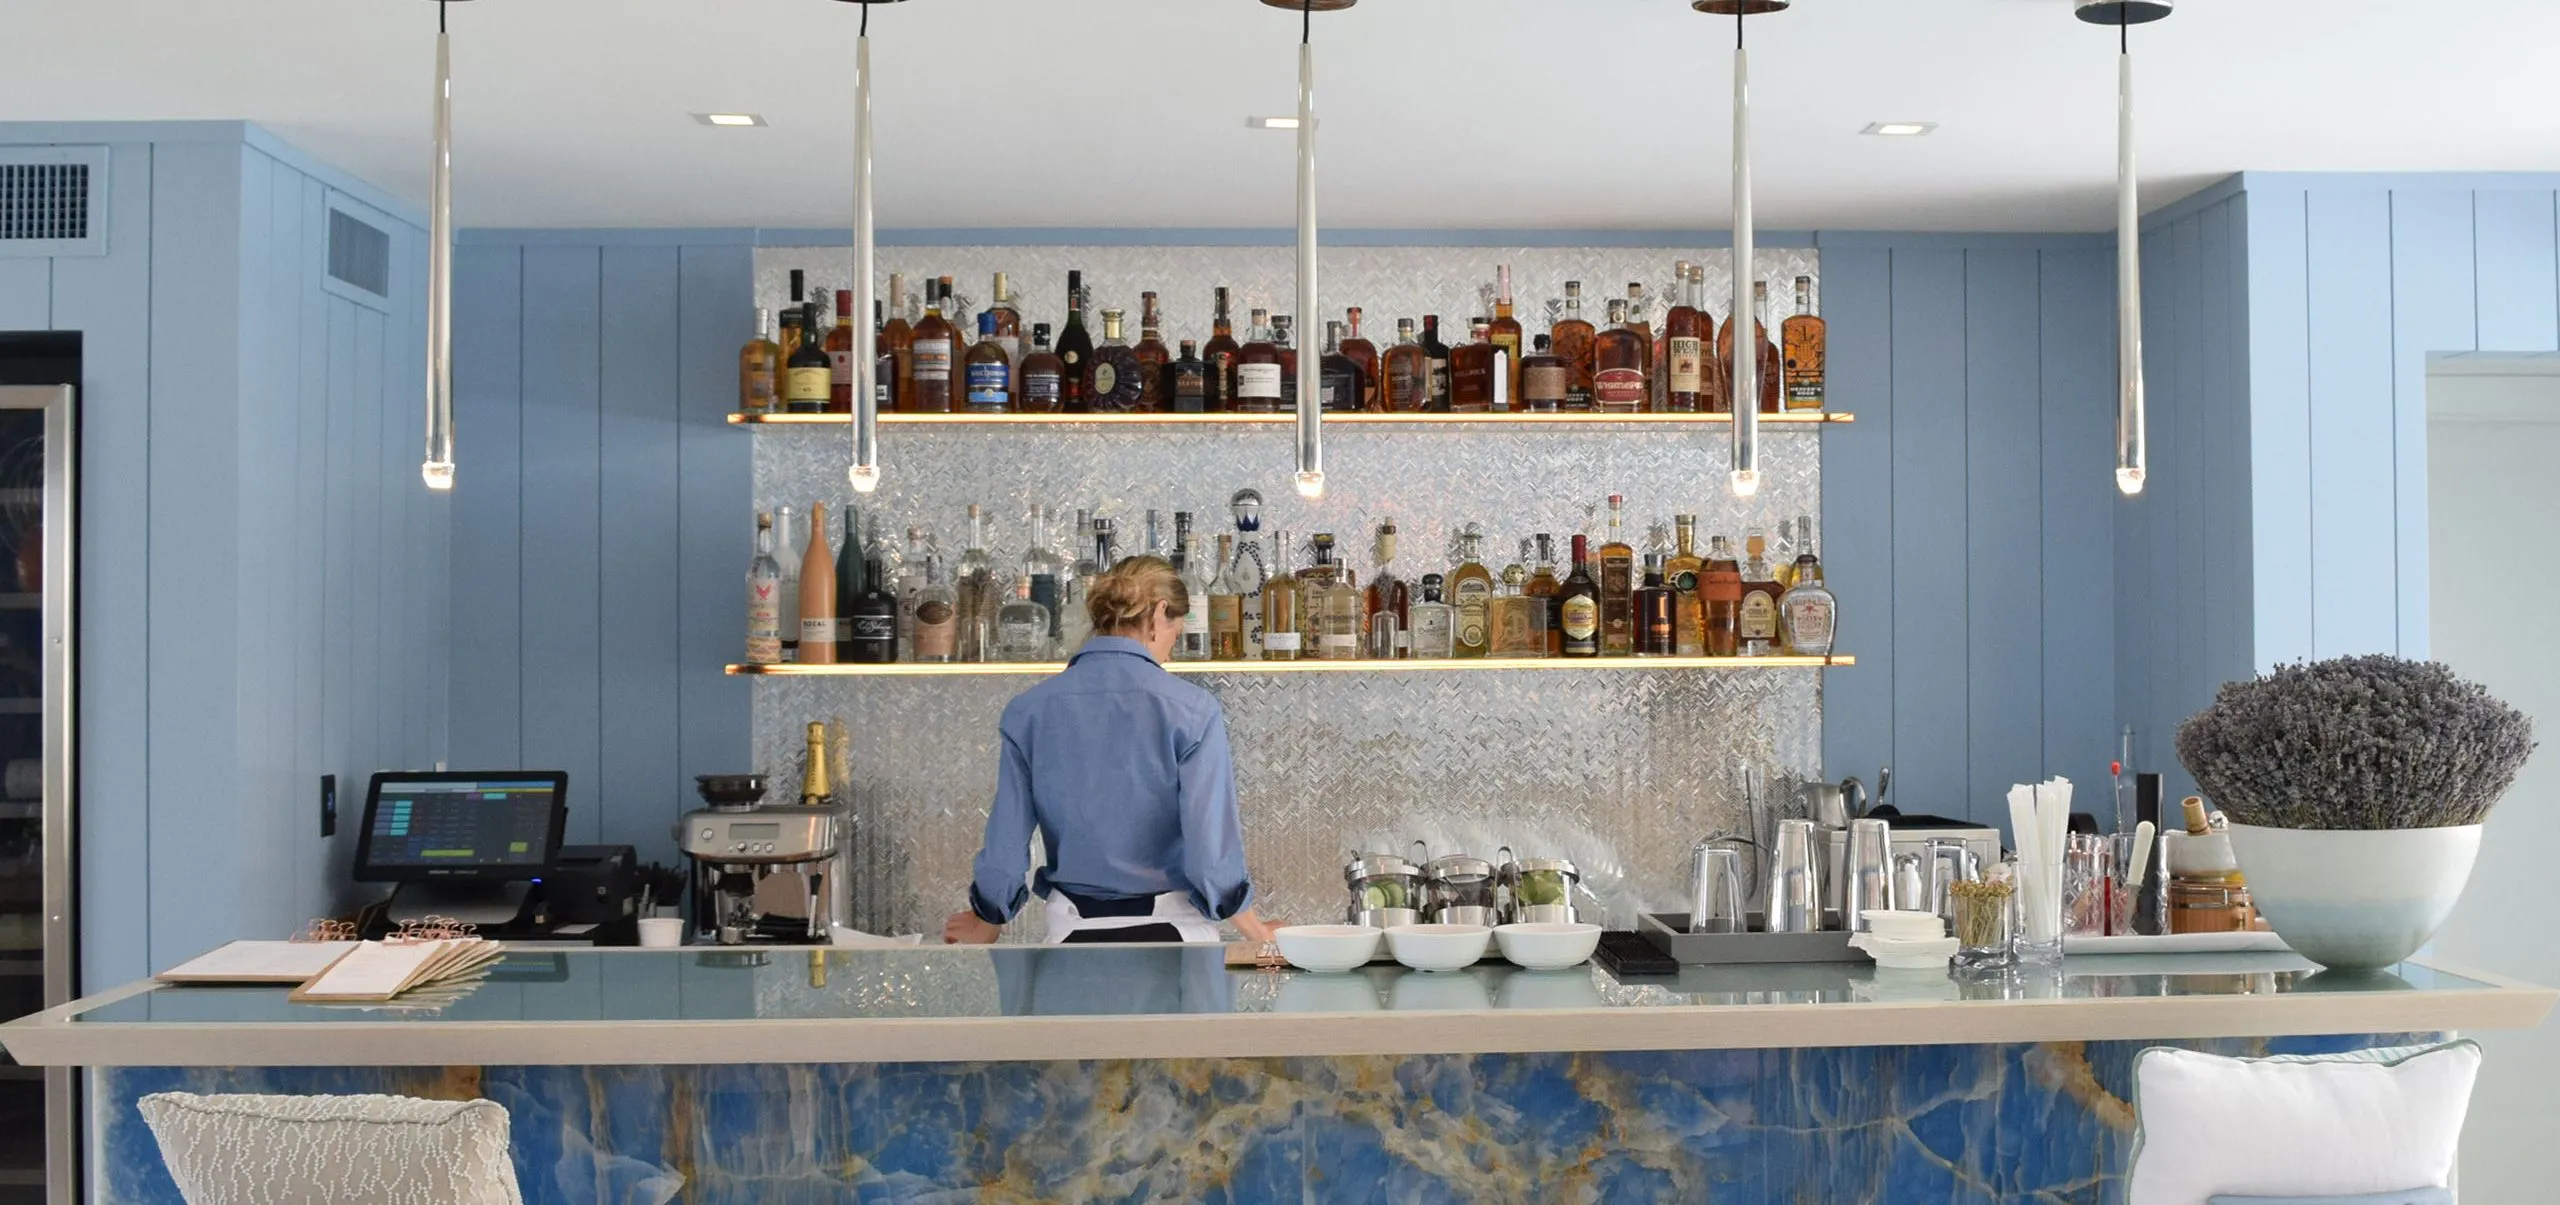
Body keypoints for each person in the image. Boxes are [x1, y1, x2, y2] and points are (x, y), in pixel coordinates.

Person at [943, 555, 1279, 945]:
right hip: (1178, 940)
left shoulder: (1029, 710)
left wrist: (987, 923)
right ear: (1158, 614)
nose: (1172, 645)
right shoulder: (1192, 710)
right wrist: (1257, 931)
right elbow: (1211, 848)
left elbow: (1006, 839)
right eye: (1176, 629)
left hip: (1071, 935)